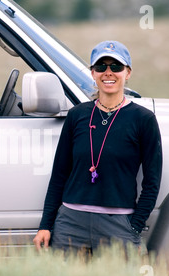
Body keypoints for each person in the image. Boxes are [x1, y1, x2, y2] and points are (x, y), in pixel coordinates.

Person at [33, 40, 162, 254]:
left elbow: (152, 182)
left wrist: (134, 227)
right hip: (70, 223)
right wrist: (45, 225)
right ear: (93, 73)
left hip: (119, 224)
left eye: (116, 67)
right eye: (101, 67)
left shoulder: (143, 119)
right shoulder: (77, 115)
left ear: (127, 73)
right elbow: (59, 174)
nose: (108, 73)